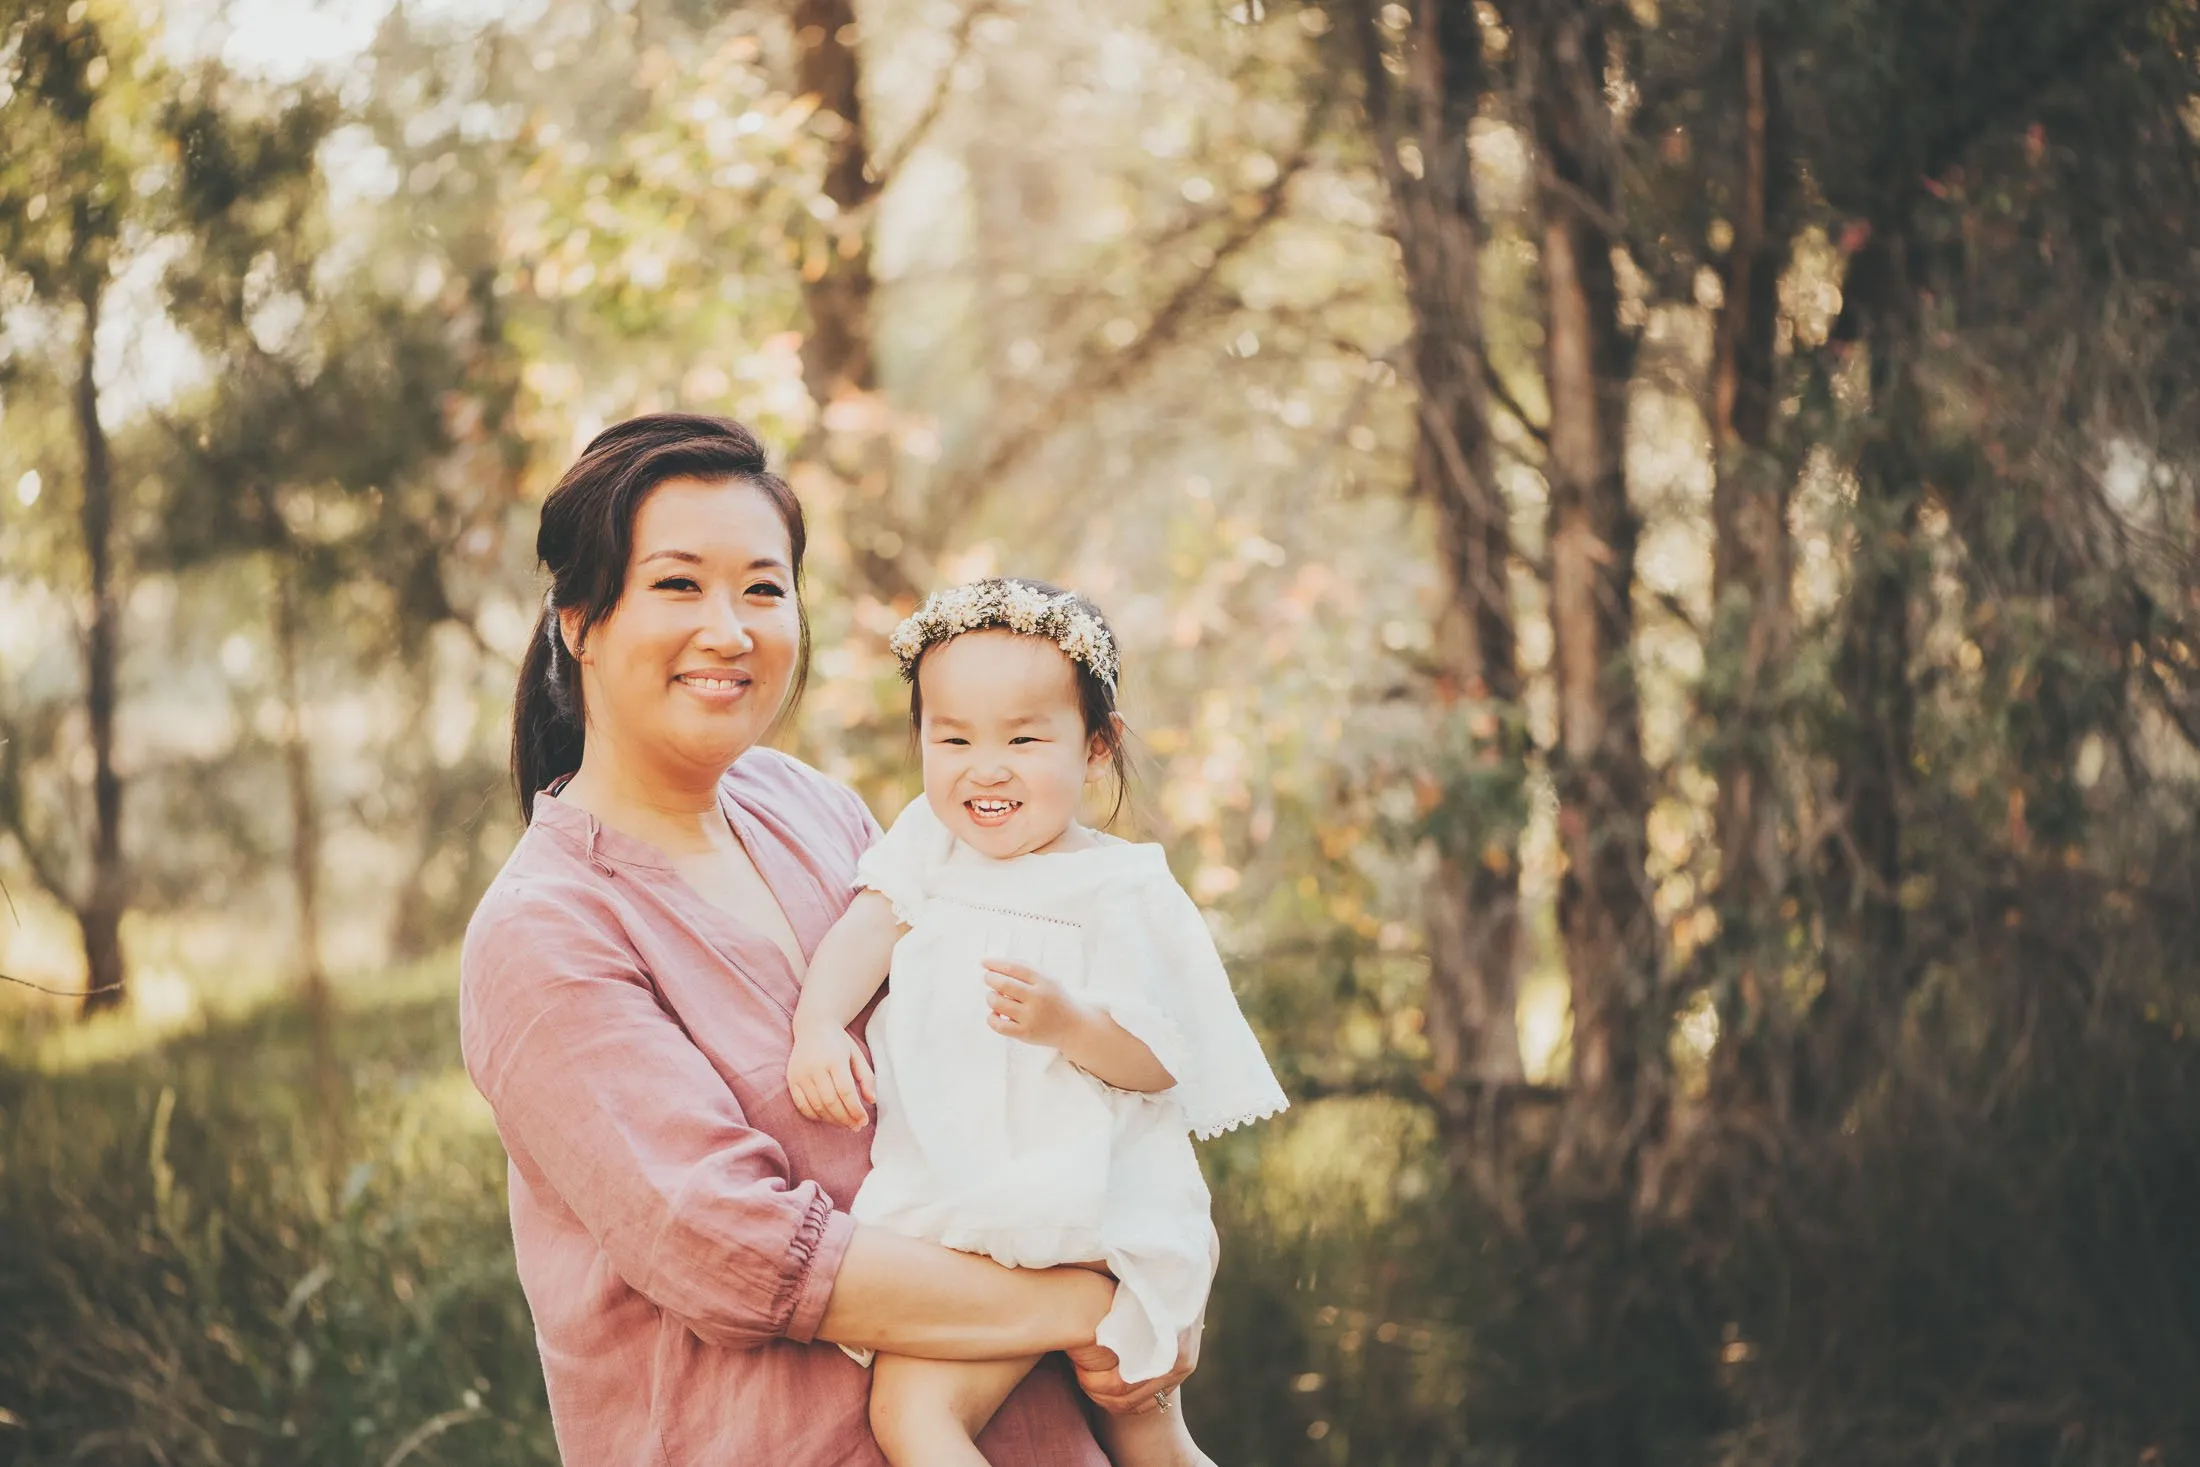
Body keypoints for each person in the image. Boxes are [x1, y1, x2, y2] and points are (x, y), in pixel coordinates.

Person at [459, 414, 1190, 1465]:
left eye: (763, 589)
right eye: (678, 584)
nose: (729, 630)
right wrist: (1095, 1303)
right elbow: (728, 1249)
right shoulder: (546, 929)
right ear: (579, 618)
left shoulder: (814, 811)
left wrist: (1159, 1272)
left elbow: (1033, 1077)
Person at [785, 577, 1290, 1467]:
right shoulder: (927, 847)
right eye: (953, 738)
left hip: (1093, 1202)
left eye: (1023, 738)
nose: (986, 767)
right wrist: (819, 1023)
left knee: (1147, 1428)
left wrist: (1072, 1024)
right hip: (958, 1206)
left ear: (1097, 747)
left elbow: (1163, 1061)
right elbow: (862, 933)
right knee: (911, 1412)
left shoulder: (1120, 887)